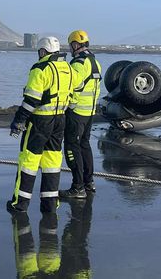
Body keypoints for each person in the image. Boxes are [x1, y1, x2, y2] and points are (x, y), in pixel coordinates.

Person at [7, 36, 73, 214]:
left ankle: (20, 203)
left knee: (29, 161)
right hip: (60, 120)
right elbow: (74, 91)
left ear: (43, 51)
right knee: (52, 162)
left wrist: (19, 120)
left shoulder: (40, 68)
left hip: (40, 121)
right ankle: (50, 204)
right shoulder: (67, 67)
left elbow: (31, 100)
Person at [60, 30, 102, 199]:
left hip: (76, 113)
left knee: (72, 148)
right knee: (85, 146)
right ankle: (88, 182)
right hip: (89, 112)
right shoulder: (95, 62)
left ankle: (77, 187)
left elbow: (71, 87)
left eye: (71, 45)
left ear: (75, 45)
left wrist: (67, 106)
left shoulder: (77, 64)